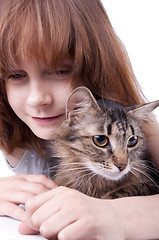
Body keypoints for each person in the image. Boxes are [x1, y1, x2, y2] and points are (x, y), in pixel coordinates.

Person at [0, 0, 159, 239]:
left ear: (96, 65)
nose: (36, 99)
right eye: (16, 74)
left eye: (60, 71)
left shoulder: (138, 127)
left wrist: (119, 215)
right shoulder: (15, 129)